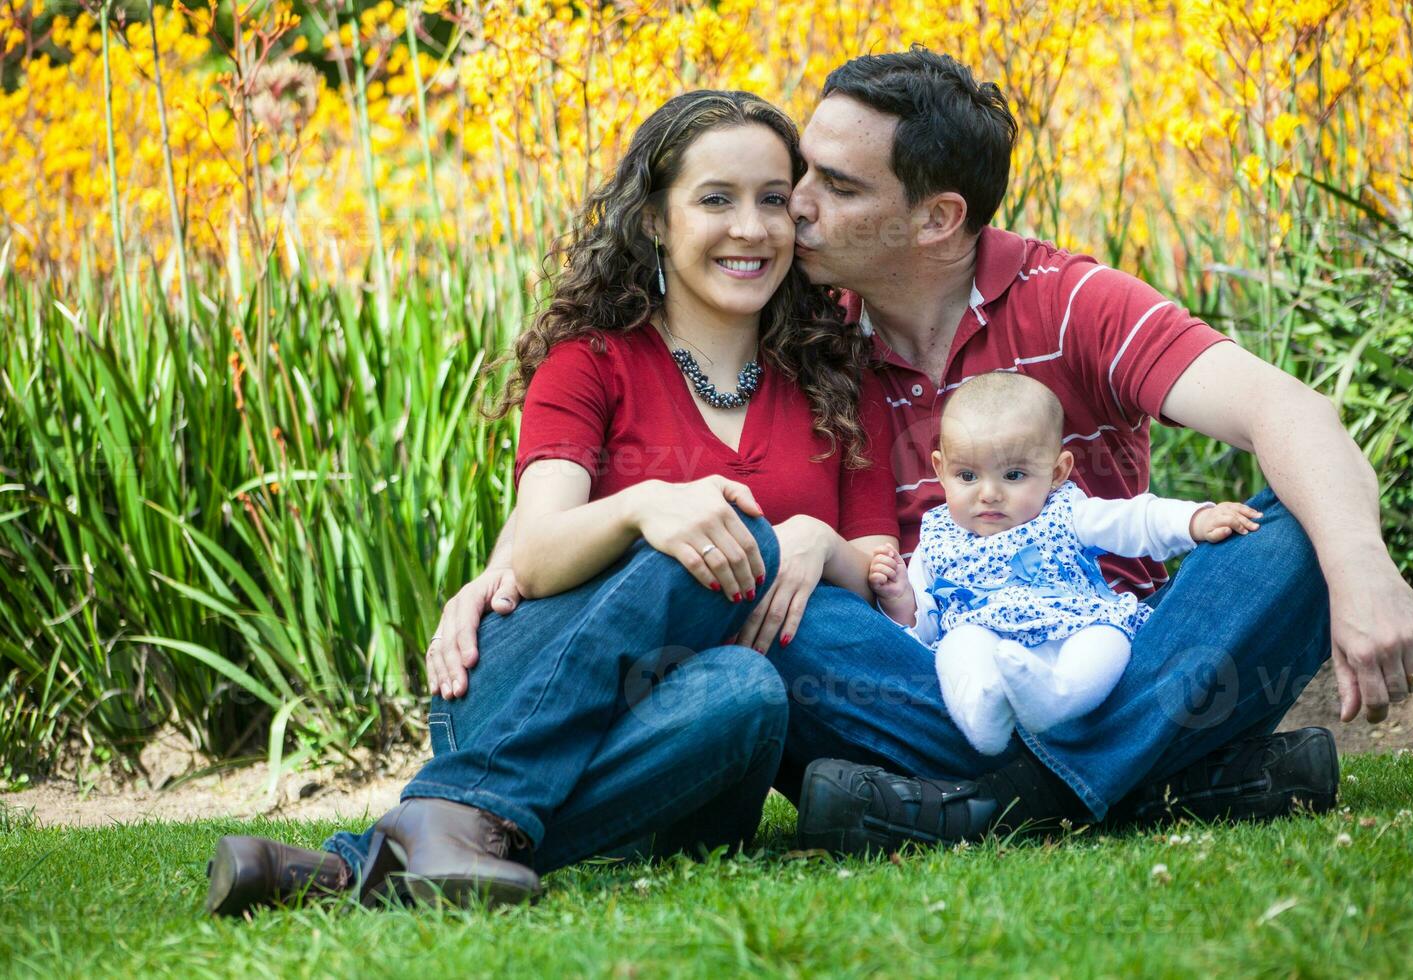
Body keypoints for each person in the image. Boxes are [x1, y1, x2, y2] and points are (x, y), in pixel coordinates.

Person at [428, 50, 1413, 856]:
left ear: (938, 217)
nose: (791, 212)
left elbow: (1288, 407)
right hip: (938, 687)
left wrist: (1366, 569)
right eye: (796, 181)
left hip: (1120, 658)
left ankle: (1004, 802)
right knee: (782, 599)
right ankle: (1161, 781)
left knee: (1296, 533)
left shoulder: (1068, 300)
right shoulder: (811, 335)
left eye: (826, 185)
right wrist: (510, 569)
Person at [204, 89, 902, 915]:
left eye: (774, 201)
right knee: (712, 532)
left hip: (689, 733)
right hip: (540, 691)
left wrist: (817, 538)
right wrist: (644, 504)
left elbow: (881, 586)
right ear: (653, 219)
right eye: (716, 199)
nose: (750, 227)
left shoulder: (834, 379)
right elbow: (532, 554)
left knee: (749, 689)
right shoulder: (592, 363)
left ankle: (396, 849)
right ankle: (450, 821)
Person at [869, 372, 1262, 757]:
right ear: (940, 470)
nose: (988, 494)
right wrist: (900, 597)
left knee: (1108, 639)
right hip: (988, 644)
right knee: (958, 645)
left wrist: (1195, 521)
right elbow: (925, 624)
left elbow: (1133, 520)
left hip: (1074, 631)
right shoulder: (936, 538)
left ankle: (1058, 698)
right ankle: (982, 716)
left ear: (1056, 473)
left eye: (1014, 475)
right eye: (967, 475)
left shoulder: (1065, 513)